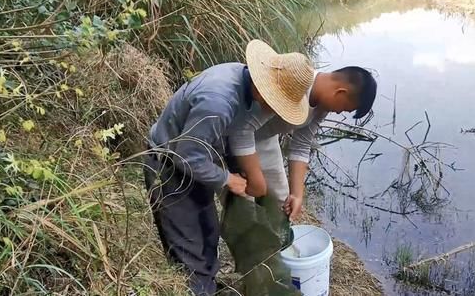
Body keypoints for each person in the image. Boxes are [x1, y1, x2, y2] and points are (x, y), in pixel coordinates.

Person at [143, 39, 314, 296]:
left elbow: (230, 136)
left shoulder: (244, 81)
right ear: (262, 89)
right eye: (275, 104)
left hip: (198, 167)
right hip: (168, 168)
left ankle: (206, 285)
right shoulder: (218, 101)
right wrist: (228, 180)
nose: (272, 111)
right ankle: (198, 289)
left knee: (208, 235)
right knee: (189, 250)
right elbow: (187, 156)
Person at [228, 65, 378, 222]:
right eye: (344, 108)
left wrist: (297, 194)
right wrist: (254, 176)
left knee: (281, 198)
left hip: (264, 138)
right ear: (340, 92)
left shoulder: (323, 106)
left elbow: (302, 144)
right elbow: (242, 129)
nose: (339, 112)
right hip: (233, 134)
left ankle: (277, 239)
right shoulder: (295, 84)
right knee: (244, 201)